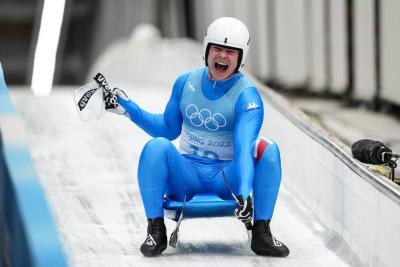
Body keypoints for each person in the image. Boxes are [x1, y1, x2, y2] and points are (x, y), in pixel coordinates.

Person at [107, 17, 289, 257]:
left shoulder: (247, 97)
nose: (222, 57)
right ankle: (156, 229)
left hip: (227, 178)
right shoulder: (186, 82)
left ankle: (262, 232)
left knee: (268, 148)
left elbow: (244, 147)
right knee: (156, 146)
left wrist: (244, 191)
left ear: (240, 58)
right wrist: (129, 110)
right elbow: (168, 129)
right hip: (187, 175)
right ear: (206, 50)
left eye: (230, 52)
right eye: (218, 49)